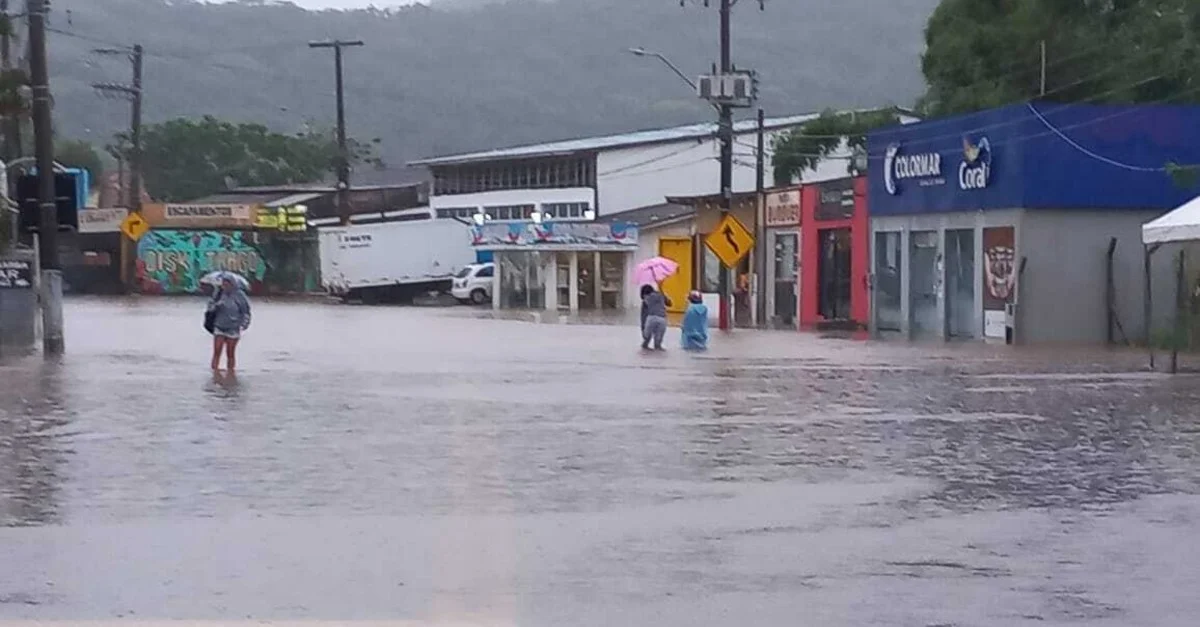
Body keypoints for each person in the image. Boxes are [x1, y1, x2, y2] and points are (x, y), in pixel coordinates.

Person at [208, 276, 252, 371]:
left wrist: (244, 324)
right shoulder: (218, 294)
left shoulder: (240, 295)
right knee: (217, 351)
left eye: (227, 284)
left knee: (230, 353)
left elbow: (246, 311)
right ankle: (214, 373)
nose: (225, 286)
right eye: (223, 283)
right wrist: (217, 305)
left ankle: (231, 372)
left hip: (233, 327)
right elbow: (210, 308)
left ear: (232, 284)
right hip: (219, 326)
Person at [639, 283, 671, 351]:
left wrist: (643, 328)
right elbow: (669, 303)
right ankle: (656, 347)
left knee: (648, 339)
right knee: (657, 341)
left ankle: (647, 346)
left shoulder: (648, 300)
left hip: (654, 319)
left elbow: (643, 317)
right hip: (661, 318)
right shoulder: (660, 295)